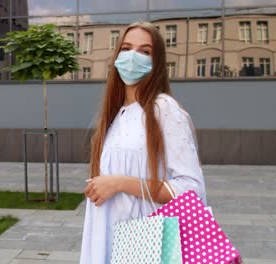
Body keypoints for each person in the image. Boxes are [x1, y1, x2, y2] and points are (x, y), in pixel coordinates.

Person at [79, 21, 206, 264]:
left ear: (157, 63)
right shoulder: (116, 114)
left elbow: (191, 188)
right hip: (106, 239)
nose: (132, 57)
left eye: (144, 51)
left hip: (144, 244)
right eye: (126, 48)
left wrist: (119, 183)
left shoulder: (163, 109)